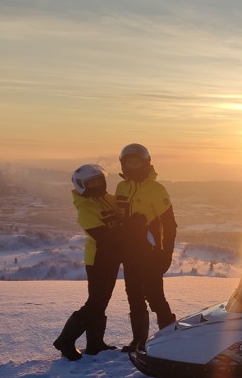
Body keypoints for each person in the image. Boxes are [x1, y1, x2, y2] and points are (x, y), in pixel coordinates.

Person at [53, 164, 121, 360]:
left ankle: (95, 344)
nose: (97, 185)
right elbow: (106, 237)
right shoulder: (86, 209)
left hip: (112, 258)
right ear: (82, 185)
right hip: (98, 259)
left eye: (100, 180)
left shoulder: (107, 199)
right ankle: (65, 340)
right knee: (95, 302)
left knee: (102, 301)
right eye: (92, 182)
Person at [115, 143, 177, 352]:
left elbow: (170, 224)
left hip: (150, 253)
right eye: (128, 162)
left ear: (146, 163)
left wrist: (166, 254)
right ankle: (138, 341)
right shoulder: (121, 187)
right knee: (133, 294)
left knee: (155, 295)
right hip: (129, 251)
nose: (132, 166)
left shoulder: (155, 190)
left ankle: (169, 340)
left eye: (136, 162)